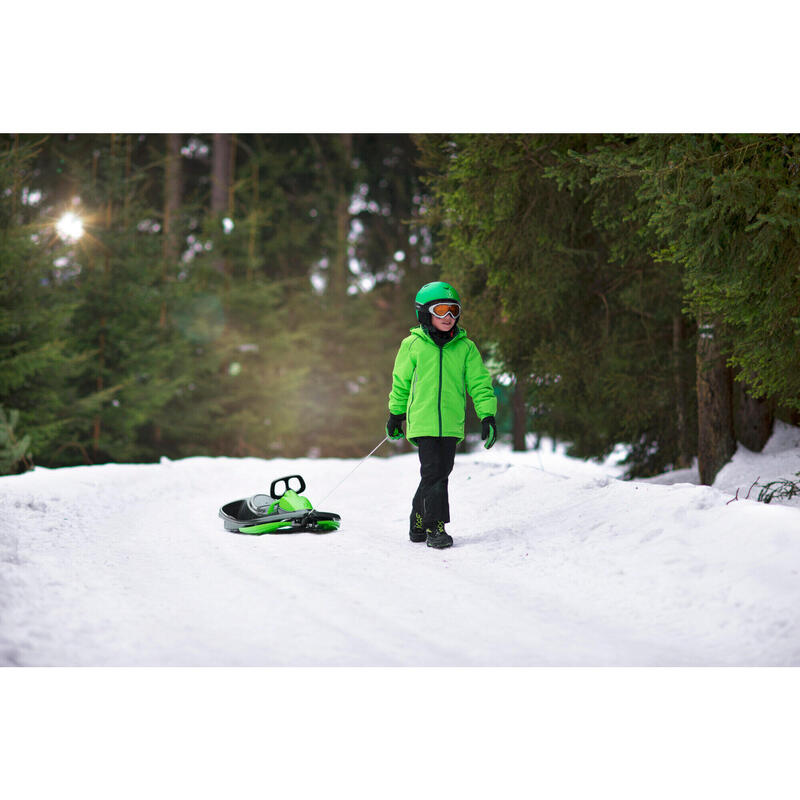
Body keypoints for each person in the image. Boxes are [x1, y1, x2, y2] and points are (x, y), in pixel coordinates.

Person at [386, 281, 497, 549]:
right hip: (422, 422)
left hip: (450, 423)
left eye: (453, 311)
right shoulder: (412, 345)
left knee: (437, 474)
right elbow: (401, 382)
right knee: (434, 472)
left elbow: (480, 384)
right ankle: (436, 528)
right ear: (425, 313)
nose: (448, 317)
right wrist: (395, 415)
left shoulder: (466, 348)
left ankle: (417, 520)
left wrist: (487, 416)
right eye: (441, 310)